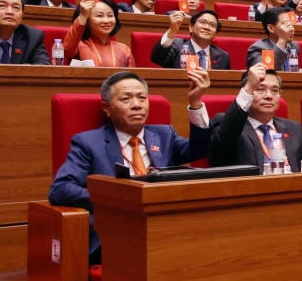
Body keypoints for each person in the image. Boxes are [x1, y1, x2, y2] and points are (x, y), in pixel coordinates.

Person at [48, 70, 212, 256]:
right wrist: (119, 198)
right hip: (120, 229)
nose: (136, 105)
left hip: (165, 224)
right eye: (126, 99)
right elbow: (60, 189)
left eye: (142, 98)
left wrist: (195, 103)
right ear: (107, 108)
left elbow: (199, 150)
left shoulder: (164, 135)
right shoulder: (88, 143)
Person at [208, 64, 302, 173]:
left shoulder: (294, 129)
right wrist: (248, 89)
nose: (269, 96)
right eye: (260, 89)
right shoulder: (229, 125)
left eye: (274, 91)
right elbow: (220, 149)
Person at [62, 0, 135, 67]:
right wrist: (82, 16)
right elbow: (67, 49)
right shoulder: (78, 46)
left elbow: (132, 77)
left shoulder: (124, 49)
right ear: (87, 20)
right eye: (99, 16)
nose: (106, 21)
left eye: (110, 15)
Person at [151, 9, 230, 70]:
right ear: (191, 27)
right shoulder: (177, 45)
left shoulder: (223, 56)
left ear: (215, 33)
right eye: (202, 22)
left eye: (212, 25)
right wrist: (171, 31)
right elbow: (157, 58)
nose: (207, 27)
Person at [246, 7, 297, 71]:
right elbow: (267, 72)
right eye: (286, 24)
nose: (291, 29)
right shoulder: (258, 48)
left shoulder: (293, 46)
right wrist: (282, 41)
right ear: (271, 28)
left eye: (291, 24)